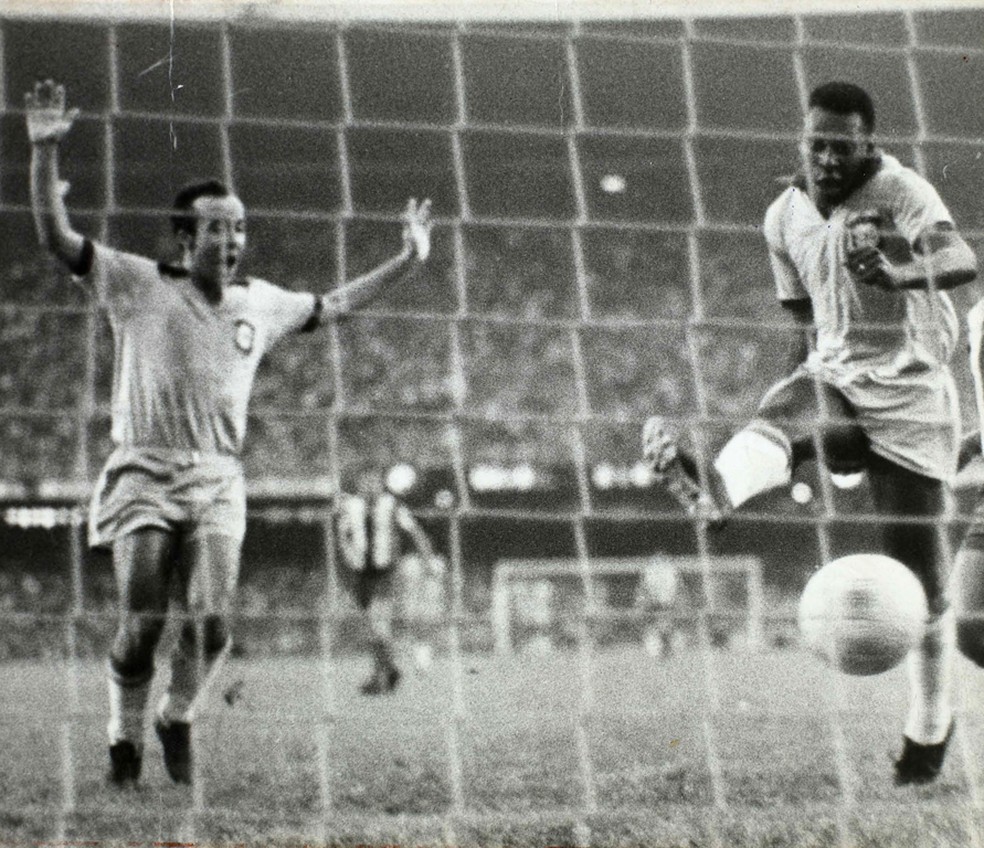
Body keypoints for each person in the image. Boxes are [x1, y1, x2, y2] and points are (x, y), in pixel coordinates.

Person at [25, 79, 433, 787]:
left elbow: (333, 305)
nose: (233, 239)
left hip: (217, 475)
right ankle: (122, 731)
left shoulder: (261, 302)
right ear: (187, 236)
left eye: (240, 227)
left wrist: (408, 259)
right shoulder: (137, 282)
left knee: (214, 621)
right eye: (218, 227)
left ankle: (175, 716)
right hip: (143, 469)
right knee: (145, 624)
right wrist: (43, 153)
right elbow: (56, 239)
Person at [642, 81, 977, 785]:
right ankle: (716, 491)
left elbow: (960, 261)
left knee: (926, 594)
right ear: (804, 140)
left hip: (914, 398)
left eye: (841, 145)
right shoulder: (783, 217)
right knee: (789, 413)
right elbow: (803, 323)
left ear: (868, 144)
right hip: (839, 379)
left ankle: (929, 726)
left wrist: (896, 271)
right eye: (816, 142)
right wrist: (780, 396)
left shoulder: (903, 191)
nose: (826, 157)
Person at [334, 467, 443, 694]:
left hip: (385, 573)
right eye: (365, 481)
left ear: (380, 483)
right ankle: (387, 670)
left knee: (378, 623)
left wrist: (428, 561)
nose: (370, 486)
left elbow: (415, 532)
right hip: (361, 574)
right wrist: (344, 571)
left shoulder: (392, 505)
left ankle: (383, 674)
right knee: (371, 628)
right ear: (359, 483)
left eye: (374, 481)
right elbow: (341, 540)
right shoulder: (349, 507)